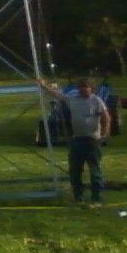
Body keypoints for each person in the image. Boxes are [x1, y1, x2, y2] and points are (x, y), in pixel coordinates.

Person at [37, 75, 111, 205]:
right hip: (77, 140)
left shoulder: (96, 100)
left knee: (95, 171)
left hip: (92, 140)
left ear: (91, 89)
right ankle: (78, 197)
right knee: (75, 170)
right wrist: (43, 85)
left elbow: (106, 118)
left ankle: (96, 198)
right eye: (81, 87)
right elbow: (57, 95)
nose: (84, 90)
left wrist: (103, 136)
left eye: (86, 87)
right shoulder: (72, 98)